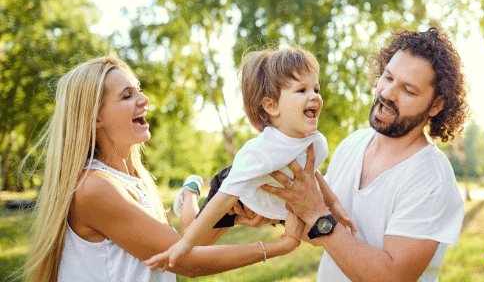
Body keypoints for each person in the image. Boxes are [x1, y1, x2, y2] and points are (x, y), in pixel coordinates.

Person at [22, 56, 304, 282]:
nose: (143, 100)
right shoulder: (94, 187)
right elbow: (183, 262)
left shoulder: (134, 179)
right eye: (126, 96)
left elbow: (180, 247)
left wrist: (230, 218)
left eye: (139, 90)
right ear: (95, 117)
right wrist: (281, 246)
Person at [262, 27, 469, 282]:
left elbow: (391, 277)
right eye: (388, 77)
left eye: (408, 90)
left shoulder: (432, 181)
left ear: (436, 105)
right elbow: (322, 236)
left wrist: (317, 215)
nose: (387, 93)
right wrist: (270, 210)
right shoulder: (353, 144)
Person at [145, 47, 356, 271]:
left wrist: (335, 206)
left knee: (319, 238)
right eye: (302, 90)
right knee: (196, 244)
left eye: (316, 88)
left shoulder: (316, 141)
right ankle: (189, 192)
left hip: (274, 196)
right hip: (238, 193)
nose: (314, 95)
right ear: (271, 106)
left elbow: (312, 174)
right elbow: (226, 198)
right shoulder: (259, 153)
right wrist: (184, 244)